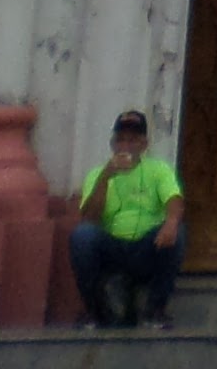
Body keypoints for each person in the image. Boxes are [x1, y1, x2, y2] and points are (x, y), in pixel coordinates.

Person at [68, 108, 187, 329]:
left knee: (178, 232)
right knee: (82, 236)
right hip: (113, 247)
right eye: (120, 140)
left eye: (132, 140)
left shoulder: (158, 170)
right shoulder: (98, 174)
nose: (126, 146)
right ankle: (95, 312)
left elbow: (174, 199)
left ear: (144, 144)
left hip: (147, 247)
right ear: (113, 144)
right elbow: (89, 219)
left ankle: (155, 312)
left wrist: (171, 223)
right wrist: (106, 177)